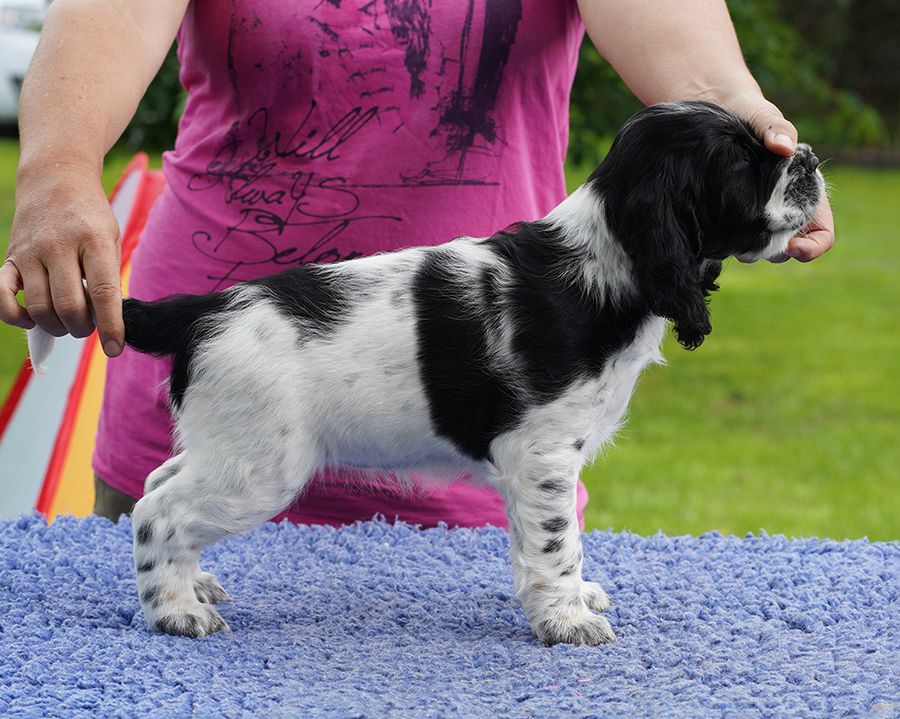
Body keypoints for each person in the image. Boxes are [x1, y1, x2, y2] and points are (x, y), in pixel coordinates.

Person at [0, 0, 834, 528]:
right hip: (221, 379)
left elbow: (688, 55)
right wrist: (59, 167)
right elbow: (106, 18)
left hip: (486, 412)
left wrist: (751, 141)